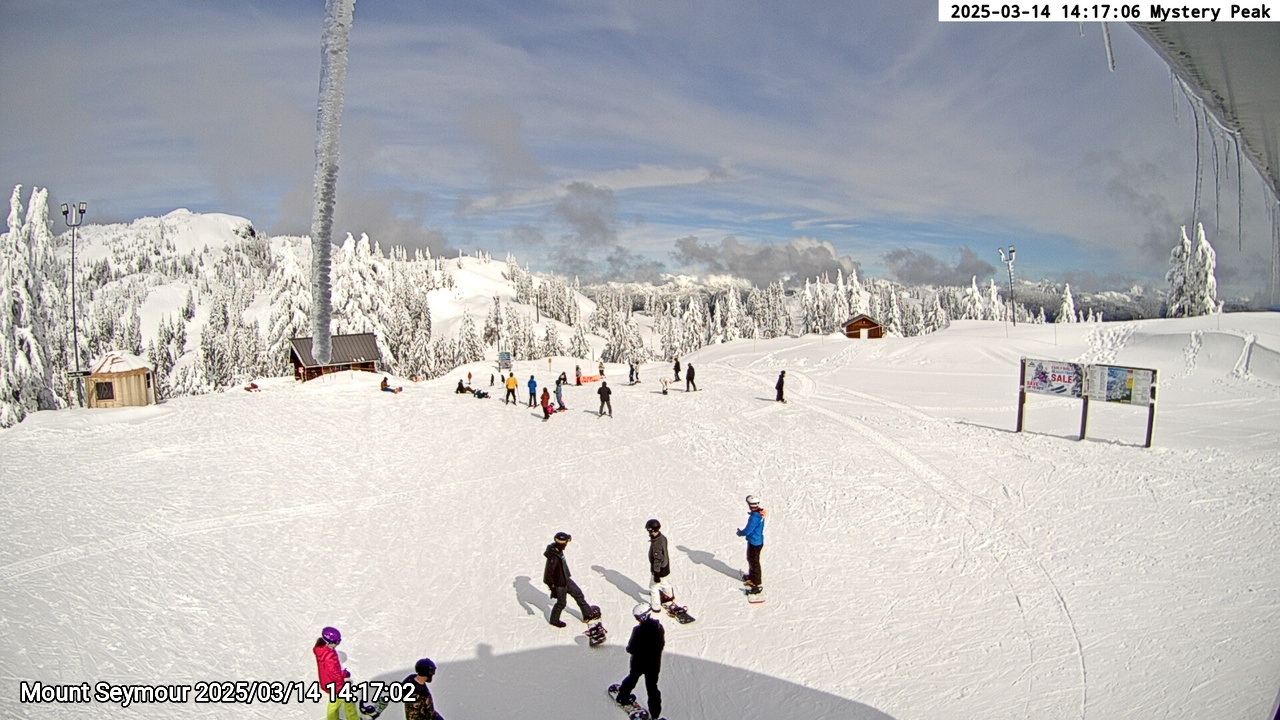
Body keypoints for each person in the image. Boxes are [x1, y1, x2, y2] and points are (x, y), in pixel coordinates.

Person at [614, 604, 665, 720]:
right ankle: (655, 715)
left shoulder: (638, 631)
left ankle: (623, 697)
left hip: (639, 663)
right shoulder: (659, 628)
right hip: (653, 665)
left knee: (632, 678)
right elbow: (661, 645)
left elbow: (631, 648)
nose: (637, 619)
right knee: (652, 688)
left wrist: (633, 649)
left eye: (637, 617)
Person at [542, 532, 600, 627]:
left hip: (566, 579)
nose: (566, 544)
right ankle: (554, 621)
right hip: (560, 584)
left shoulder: (558, 551)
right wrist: (553, 587)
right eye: (565, 542)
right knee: (561, 603)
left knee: (578, 594)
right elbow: (548, 576)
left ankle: (588, 615)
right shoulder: (553, 556)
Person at [313, 626, 360, 720]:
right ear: (329, 643)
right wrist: (344, 674)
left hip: (327, 682)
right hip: (336, 684)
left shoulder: (321, 650)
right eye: (336, 642)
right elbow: (334, 673)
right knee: (349, 701)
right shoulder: (329, 656)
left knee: (334, 702)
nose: (337, 644)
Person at [737, 495, 766, 594]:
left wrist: (740, 533)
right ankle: (752, 576)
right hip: (756, 541)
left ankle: (757, 584)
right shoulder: (759, 514)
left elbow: (748, 530)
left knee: (754, 561)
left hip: (755, 542)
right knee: (751, 559)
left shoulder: (755, 517)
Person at [645, 519, 673, 611]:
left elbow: (657, 559)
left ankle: (656, 607)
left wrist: (656, 573)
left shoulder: (657, 544)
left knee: (653, 587)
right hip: (665, 566)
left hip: (659, 569)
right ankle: (669, 596)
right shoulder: (662, 537)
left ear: (651, 530)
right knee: (664, 582)